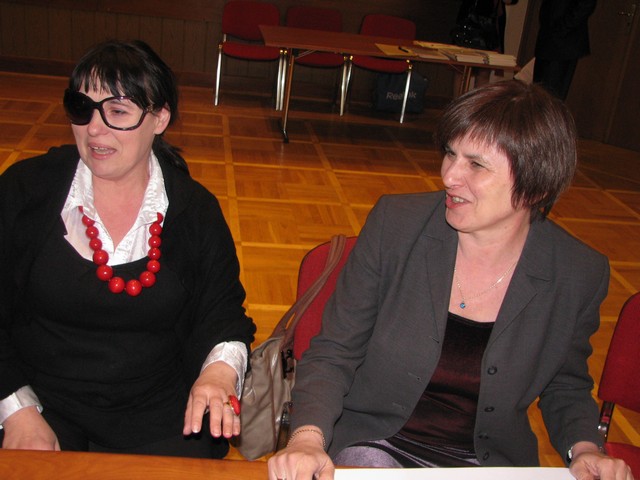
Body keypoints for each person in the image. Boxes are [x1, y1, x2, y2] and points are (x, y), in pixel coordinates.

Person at [268, 80, 633, 480]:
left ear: (536, 186)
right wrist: (306, 438)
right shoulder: (396, 226)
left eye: (476, 165)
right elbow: (334, 351)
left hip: (488, 464)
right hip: (378, 444)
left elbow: (565, 384)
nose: (449, 176)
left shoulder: (578, 272)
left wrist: (584, 448)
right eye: (450, 154)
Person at [0, 40, 256, 458]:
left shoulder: (194, 211)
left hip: (158, 410)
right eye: (82, 108)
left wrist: (218, 373)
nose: (93, 129)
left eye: (117, 112)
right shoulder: (25, 190)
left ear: (160, 118)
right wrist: (17, 410)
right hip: (41, 402)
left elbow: (222, 313)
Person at [533, 0, 597, 100]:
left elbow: (586, 4)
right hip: (546, 38)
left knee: (550, 97)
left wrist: (563, 27)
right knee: (536, 92)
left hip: (563, 43)